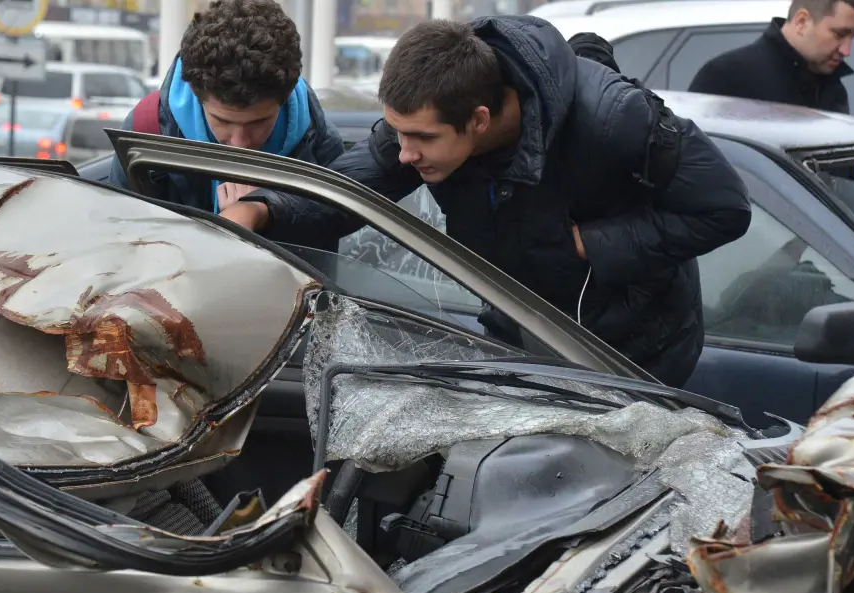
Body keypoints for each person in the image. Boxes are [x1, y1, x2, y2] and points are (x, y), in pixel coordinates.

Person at [220, 17, 753, 388]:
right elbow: (350, 190)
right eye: (397, 132)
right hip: (517, 342)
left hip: (635, 357)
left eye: (420, 139)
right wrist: (262, 210)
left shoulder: (615, 120)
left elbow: (725, 208)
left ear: (478, 119)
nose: (404, 154)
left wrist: (593, 244)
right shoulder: (436, 101)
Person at [106, 0, 343, 221]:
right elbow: (120, 242)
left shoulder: (320, 148)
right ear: (194, 91)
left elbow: (323, 258)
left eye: (258, 123)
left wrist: (264, 217)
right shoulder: (146, 134)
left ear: (287, 95)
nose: (240, 144)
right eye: (222, 121)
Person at [688, 0, 854, 114]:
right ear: (801, 22)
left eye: (853, 37)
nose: (846, 50)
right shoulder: (726, 77)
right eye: (840, 34)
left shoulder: (832, 89)